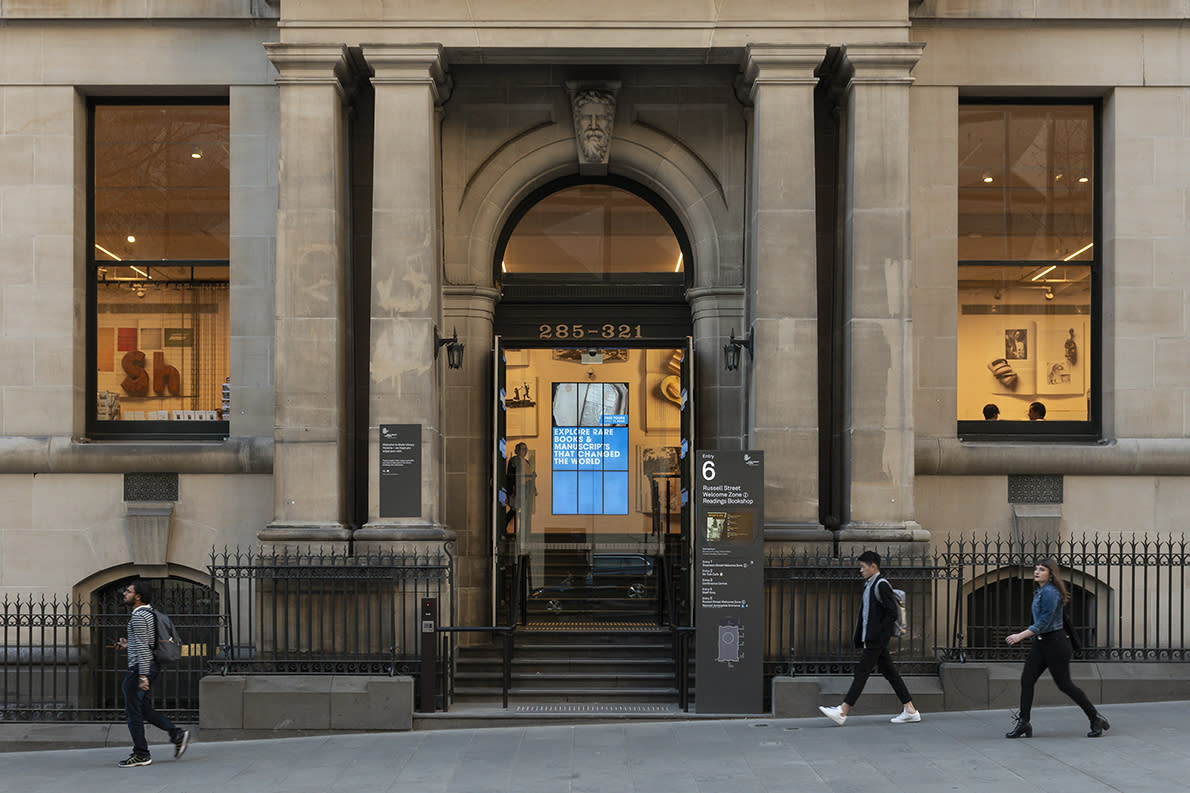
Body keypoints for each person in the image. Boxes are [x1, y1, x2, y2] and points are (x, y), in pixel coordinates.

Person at [1004, 560, 1110, 739]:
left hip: (1056, 644)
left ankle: (1095, 718)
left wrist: (1020, 636)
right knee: (1027, 680)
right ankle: (1024, 723)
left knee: (1065, 685)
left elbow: (1044, 622)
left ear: (1051, 574)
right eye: (1036, 569)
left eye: (1042, 569)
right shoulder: (1040, 591)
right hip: (1041, 643)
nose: (1037, 572)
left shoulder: (1051, 593)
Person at [819, 551, 921, 726]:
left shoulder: (881, 585)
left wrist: (877, 634)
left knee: (862, 673)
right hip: (874, 639)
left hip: (876, 640)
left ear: (873, 566)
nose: (861, 570)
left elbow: (892, 613)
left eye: (863, 567)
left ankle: (843, 711)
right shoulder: (870, 584)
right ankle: (910, 710)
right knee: (891, 674)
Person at [117, 579, 189, 767]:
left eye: (128, 591)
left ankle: (141, 754)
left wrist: (142, 676)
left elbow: (143, 647)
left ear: (138, 596)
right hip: (150, 665)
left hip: (140, 669)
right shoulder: (151, 614)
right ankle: (176, 734)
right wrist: (128, 644)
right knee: (143, 709)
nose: (124, 594)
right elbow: (147, 643)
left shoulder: (139, 617)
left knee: (132, 712)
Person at [505, 442, 537, 537]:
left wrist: (533, 488)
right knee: (514, 509)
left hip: (526, 488)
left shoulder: (527, 462)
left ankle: (523, 532)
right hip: (518, 488)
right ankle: (504, 525)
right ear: (517, 450)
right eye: (522, 449)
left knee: (524, 511)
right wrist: (511, 489)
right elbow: (511, 476)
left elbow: (529, 477)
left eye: (525, 449)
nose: (524, 451)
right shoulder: (514, 460)